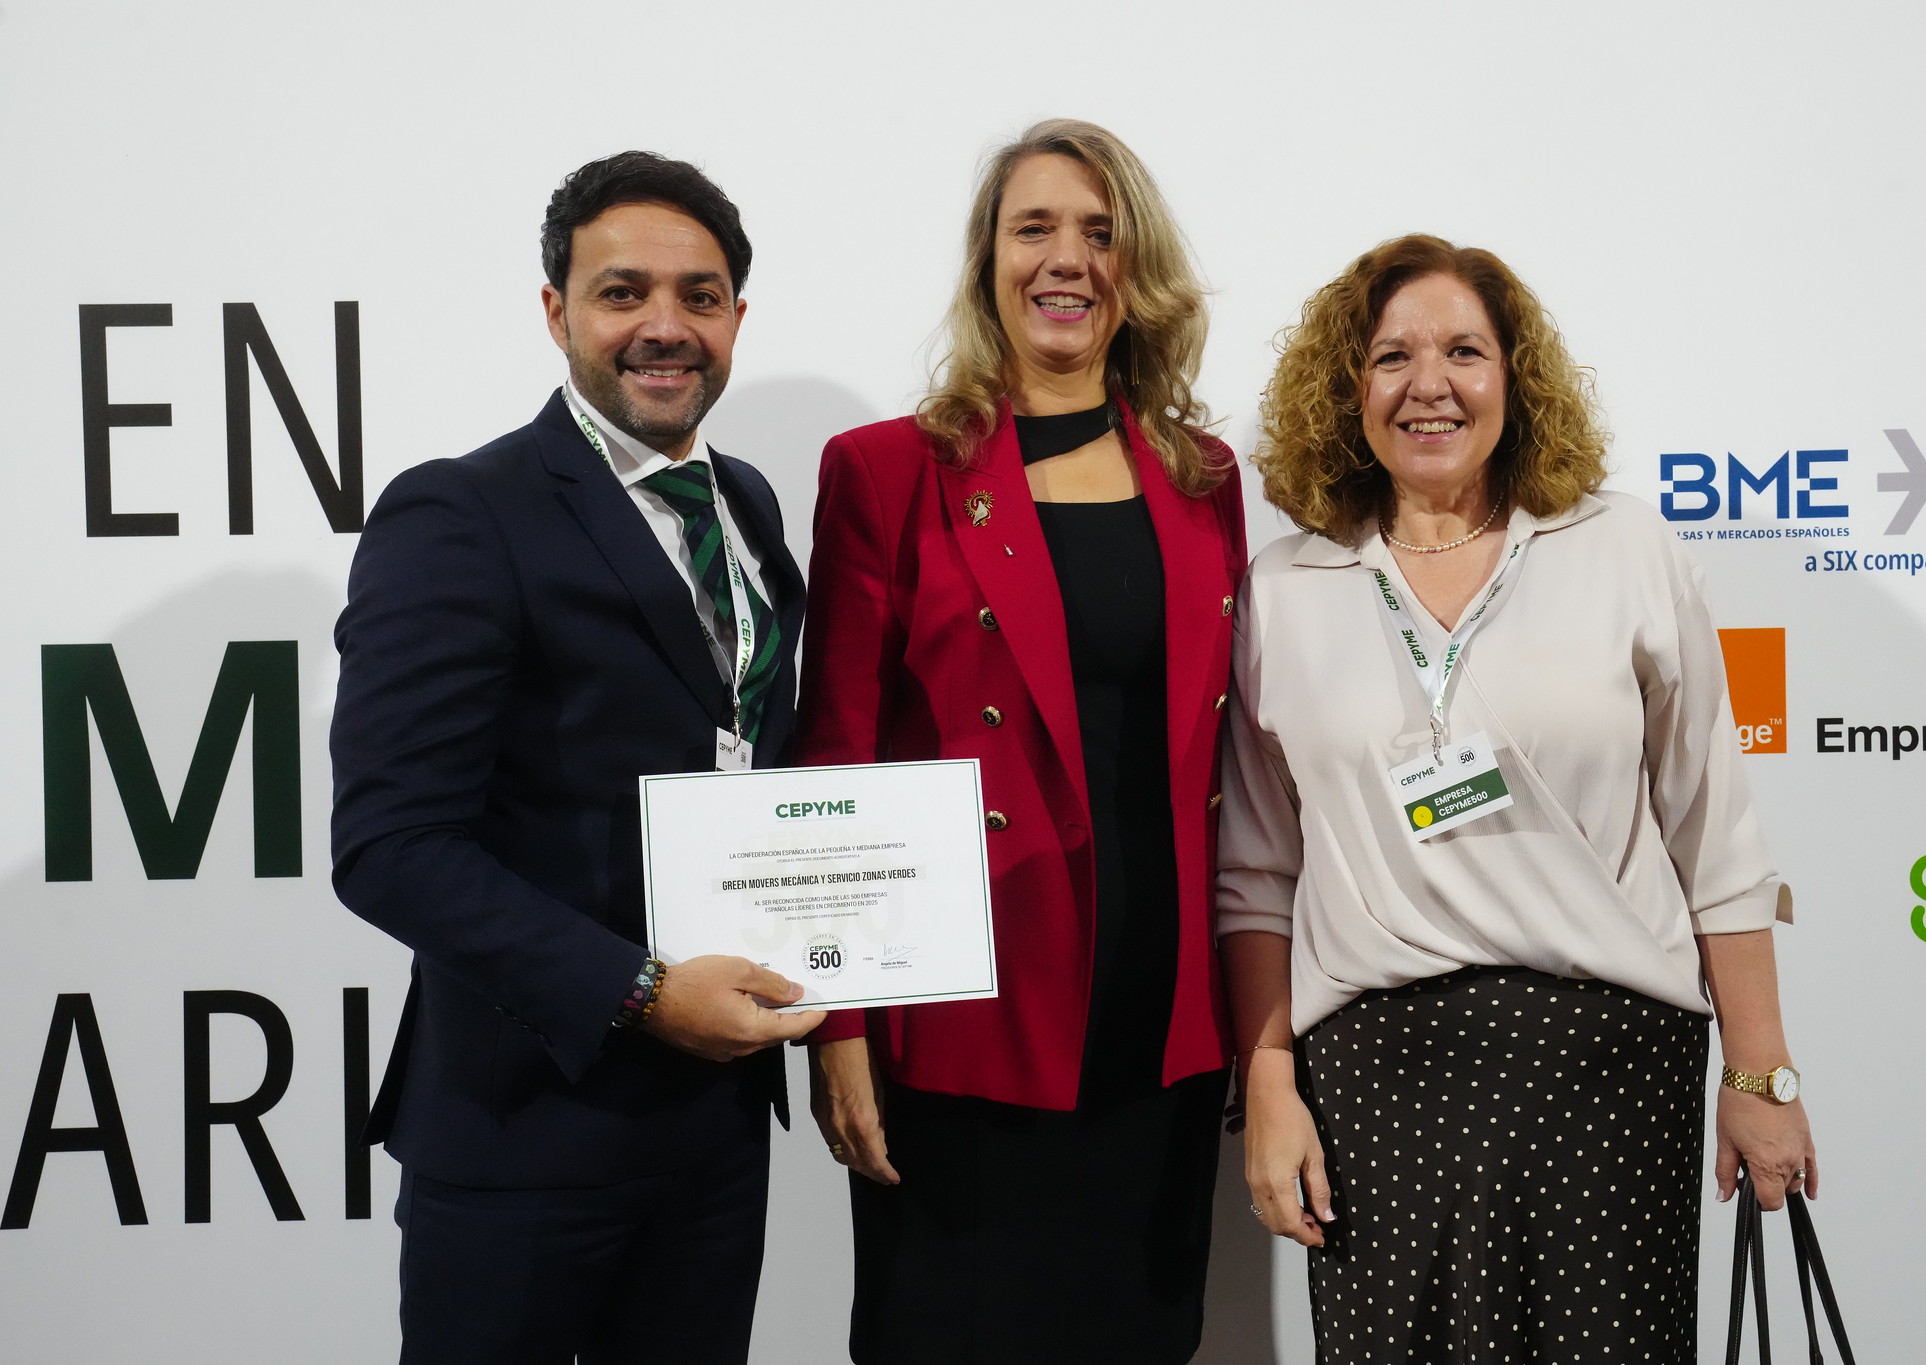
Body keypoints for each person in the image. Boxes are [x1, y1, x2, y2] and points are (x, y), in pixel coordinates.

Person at [1219, 233, 1818, 1363]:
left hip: (1607, 1069)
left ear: (1514, 376)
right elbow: (1255, 873)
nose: (1429, 384)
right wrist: (1269, 1083)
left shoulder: (1621, 547)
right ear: (1345, 389)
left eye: (1464, 351)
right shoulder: (1285, 586)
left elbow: (1714, 833)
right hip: (1376, 1087)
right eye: (1390, 356)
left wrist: (1761, 1074)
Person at [329, 151, 822, 1365]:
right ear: (556, 313)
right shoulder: (461, 512)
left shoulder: (747, 504)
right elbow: (391, 846)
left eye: (699, 296)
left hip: (712, 1135)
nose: (665, 326)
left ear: (736, 317)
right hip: (527, 1132)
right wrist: (641, 993)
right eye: (621, 293)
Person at [793, 119, 1246, 1364]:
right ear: (986, 259)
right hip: (965, 1023)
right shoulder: (889, 471)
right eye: (1032, 227)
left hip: (1161, 1022)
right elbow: (833, 757)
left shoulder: (1202, 477)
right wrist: (838, 1027)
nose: (1066, 259)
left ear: (1135, 268)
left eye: (1099, 232)